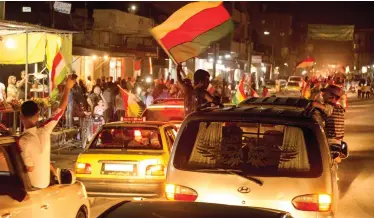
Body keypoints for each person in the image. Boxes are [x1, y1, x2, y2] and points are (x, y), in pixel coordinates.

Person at [18, 75, 75, 189]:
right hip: (45, 188)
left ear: (21, 117)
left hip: (30, 190)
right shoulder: (45, 130)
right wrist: (67, 88)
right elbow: (61, 109)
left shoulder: (23, 141)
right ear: (38, 115)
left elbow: (29, 168)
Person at [312, 85, 345, 163]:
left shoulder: (330, 107)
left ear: (332, 97)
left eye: (325, 93)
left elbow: (314, 104)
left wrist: (313, 102)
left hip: (330, 141)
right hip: (338, 142)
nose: (323, 94)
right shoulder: (339, 108)